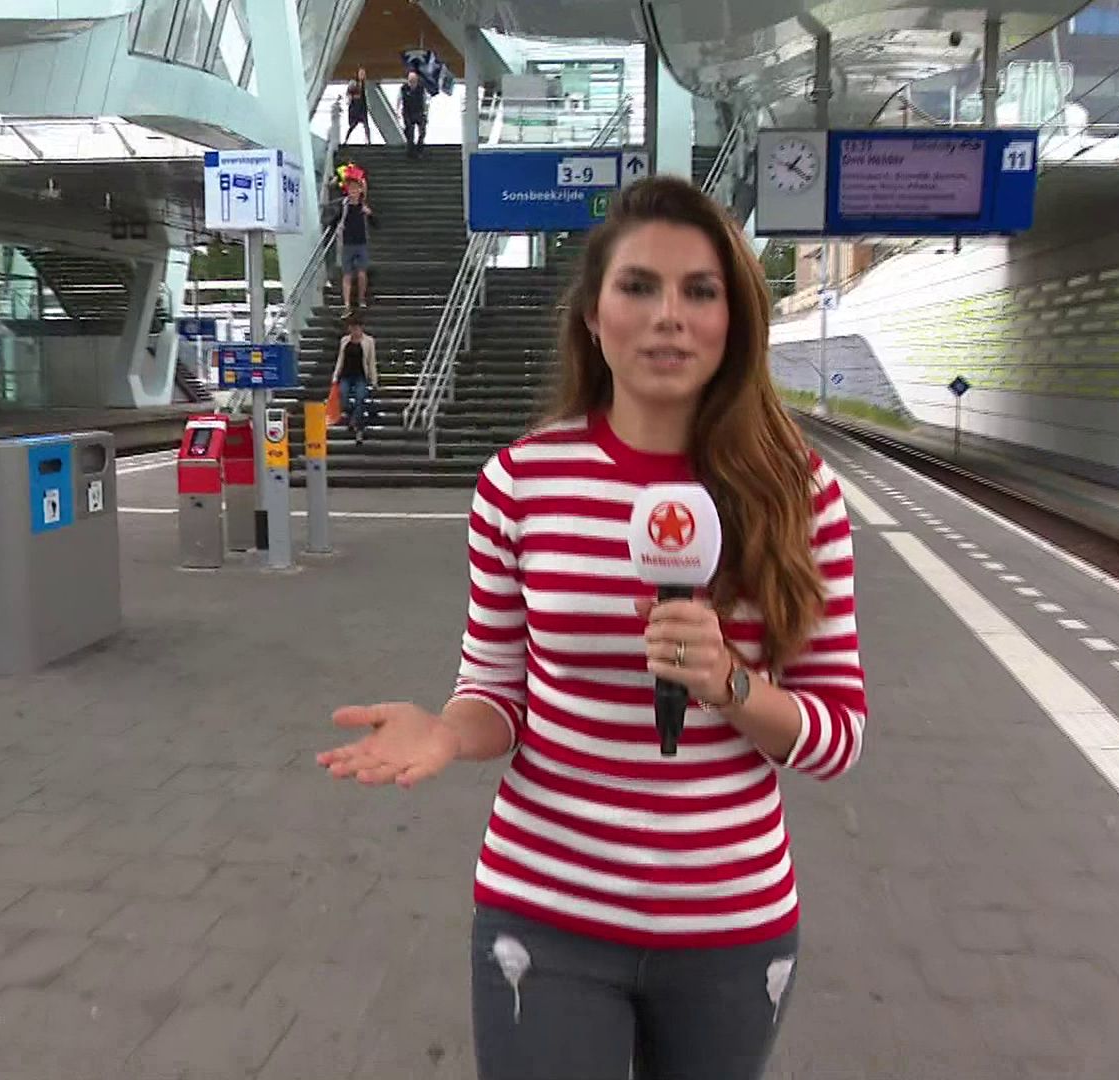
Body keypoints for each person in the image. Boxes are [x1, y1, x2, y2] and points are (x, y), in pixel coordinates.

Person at [317, 176, 869, 1080]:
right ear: (592, 315)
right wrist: (449, 731)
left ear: (734, 321)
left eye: (700, 291)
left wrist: (731, 683)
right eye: (639, 287)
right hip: (543, 910)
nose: (668, 316)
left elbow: (838, 736)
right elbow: (497, 690)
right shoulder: (519, 484)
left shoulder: (799, 494)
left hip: (730, 923)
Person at [331, 315, 378, 444]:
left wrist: (374, 380)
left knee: (360, 399)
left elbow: (371, 361)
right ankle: (353, 418)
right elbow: (340, 359)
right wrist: (335, 376)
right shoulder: (345, 340)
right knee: (344, 399)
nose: (355, 331)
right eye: (352, 328)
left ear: (361, 328)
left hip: (360, 375)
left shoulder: (368, 341)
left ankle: (358, 428)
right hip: (346, 374)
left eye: (357, 328)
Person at [335, 179, 374, 310]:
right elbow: (335, 219)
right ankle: (347, 303)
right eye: (351, 189)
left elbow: (376, 224)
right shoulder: (344, 206)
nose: (353, 192)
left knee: (362, 273)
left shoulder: (363, 207)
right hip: (347, 244)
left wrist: (370, 214)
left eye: (356, 189)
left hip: (361, 243)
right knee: (347, 274)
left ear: (360, 190)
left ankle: (361, 299)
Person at [399, 68, 428, 158]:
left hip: (419, 111)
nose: (412, 83)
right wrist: (398, 112)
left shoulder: (421, 89)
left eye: (414, 81)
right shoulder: (403, 89)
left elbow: (425, 101)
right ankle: (410, 151)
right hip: (407, 112)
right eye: (410, 81)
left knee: (422, 131)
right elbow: (399, 100)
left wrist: (425, 113)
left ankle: (419, 148)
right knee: (409, 131)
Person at [345, 67, 372, 144]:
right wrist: (351, 99)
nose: (363, 75)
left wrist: (368, 106)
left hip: (363, 107)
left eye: (363, 74)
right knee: (352, 125)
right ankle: (346, 140)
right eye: (361, 74)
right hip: (355, 107)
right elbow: (349, 94)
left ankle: (368, 141)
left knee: (366, 126)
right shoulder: (353, 82)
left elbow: (366, 96)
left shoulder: (364, 84)